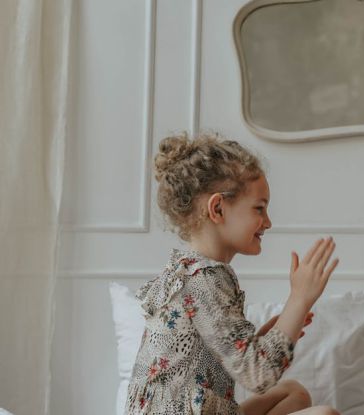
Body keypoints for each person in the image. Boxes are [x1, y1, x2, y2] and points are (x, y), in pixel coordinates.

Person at [125, 133, 340, 415]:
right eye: (259, 209)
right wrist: (299, 299)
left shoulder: (190, 271)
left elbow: (228, 357)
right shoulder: (204, 279)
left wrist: (270, 335)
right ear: (217, 209)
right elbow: (258, 375)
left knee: (294, 393)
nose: (268, 222)